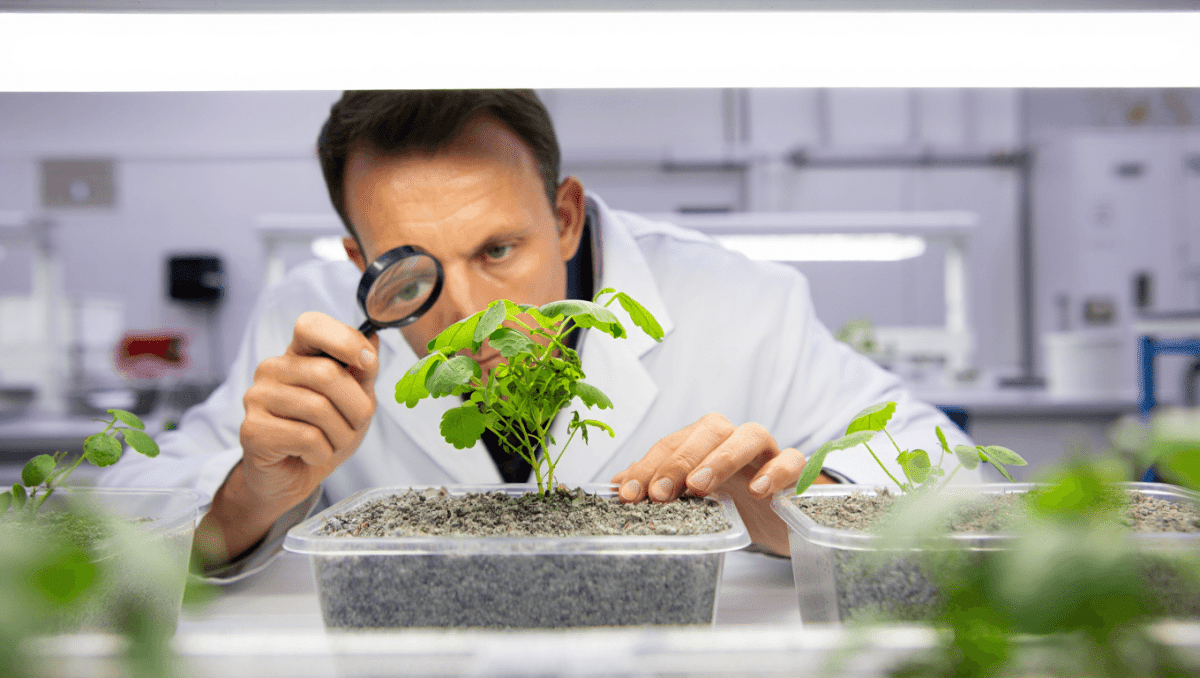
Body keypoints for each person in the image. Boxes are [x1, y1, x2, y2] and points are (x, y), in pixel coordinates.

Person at [101, 90, 982, 581]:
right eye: (409, 268)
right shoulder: (309, 321)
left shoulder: (738, 300)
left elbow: (944, 467)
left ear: (564, 218)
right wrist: (252, 495)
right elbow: (140, 509)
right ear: (356, 256)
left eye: (498, 248)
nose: (471, 315)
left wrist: (799, 509)